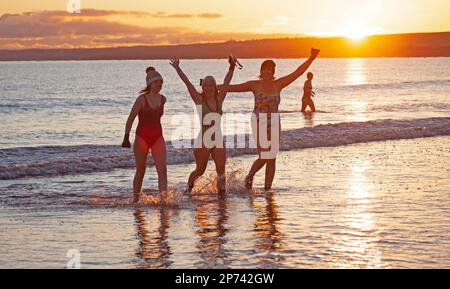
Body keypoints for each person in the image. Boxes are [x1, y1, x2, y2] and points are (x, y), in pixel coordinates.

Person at [224, 48, 320, 190]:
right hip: (259, 122)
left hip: (274, 122)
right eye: (265, 69)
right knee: (264, 156)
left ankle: (267, 189)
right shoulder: (254, 85)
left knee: (272, 157)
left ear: (273, 72)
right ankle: (250, 176)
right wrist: (209, 87)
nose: (268, 72)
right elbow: (231, 88)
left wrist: (311, 58)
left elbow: (298, 73)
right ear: (261, 71)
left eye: (271, 70)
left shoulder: (278, 84)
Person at [170, 56, 238, 194]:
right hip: (203, 139)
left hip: (217, 138)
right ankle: (188, 190)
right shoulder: (199, 100)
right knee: (200, 170)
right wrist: (178, 68)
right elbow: (187, 83)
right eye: (205, 85)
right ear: (203, 87)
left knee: (221, 170)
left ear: (214, 86)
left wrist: (232, 66)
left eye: (211, 85)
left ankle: (221, 197)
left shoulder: (220, 98)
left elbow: (226, 82)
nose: (208, 88)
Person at [122, 68, 168, 203]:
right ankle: (135, 200)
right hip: (141, 138)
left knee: (162, 170)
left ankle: (163, 200)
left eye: (161, 82)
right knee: (141, 170)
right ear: (150, 84)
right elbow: (131, 118)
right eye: (156, 83)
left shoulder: (163, 99)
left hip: (158, 137)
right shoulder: (141, 99)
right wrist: (126, 137)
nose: (159, 85)